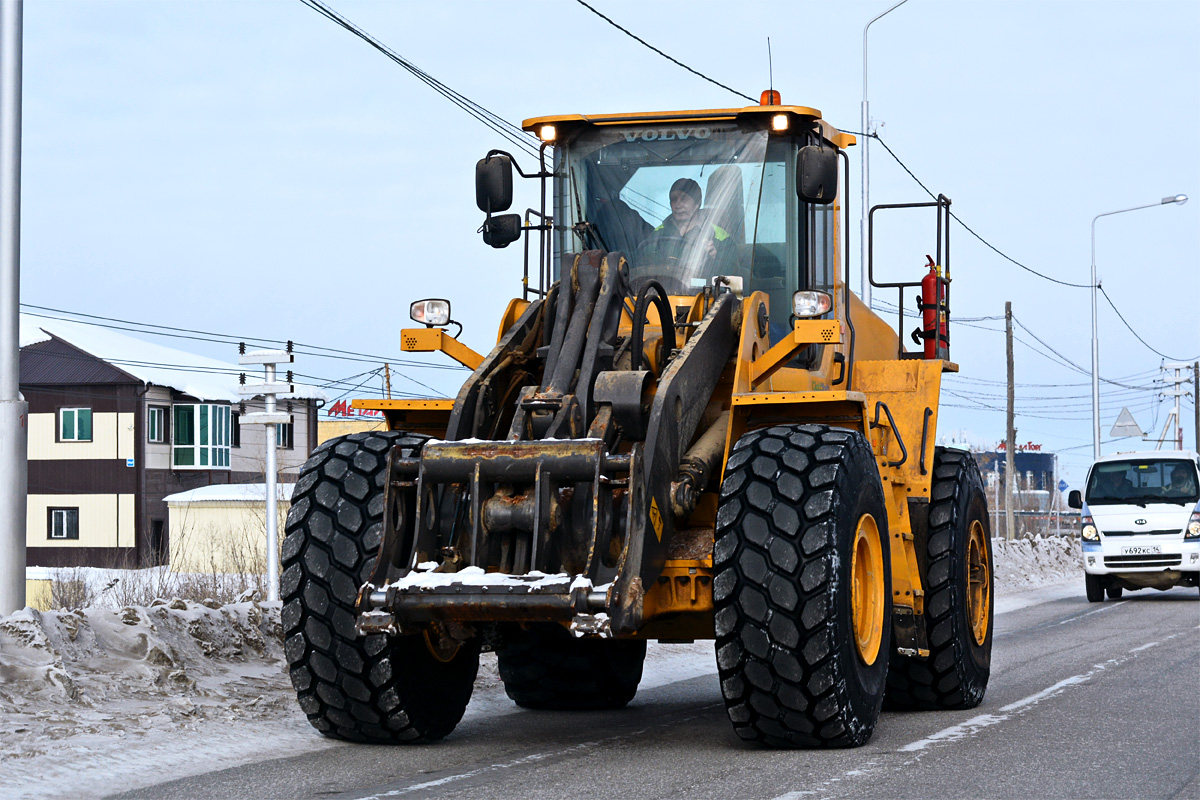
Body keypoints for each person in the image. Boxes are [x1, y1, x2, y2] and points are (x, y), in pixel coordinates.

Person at [639, 178, 731, 272]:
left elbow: (732, 275)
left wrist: (715, 259)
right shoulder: (657, 235)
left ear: (697, 203)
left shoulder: (721, 238)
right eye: (674, 199)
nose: (678, 205)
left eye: (684, 199)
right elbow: (642, 266)